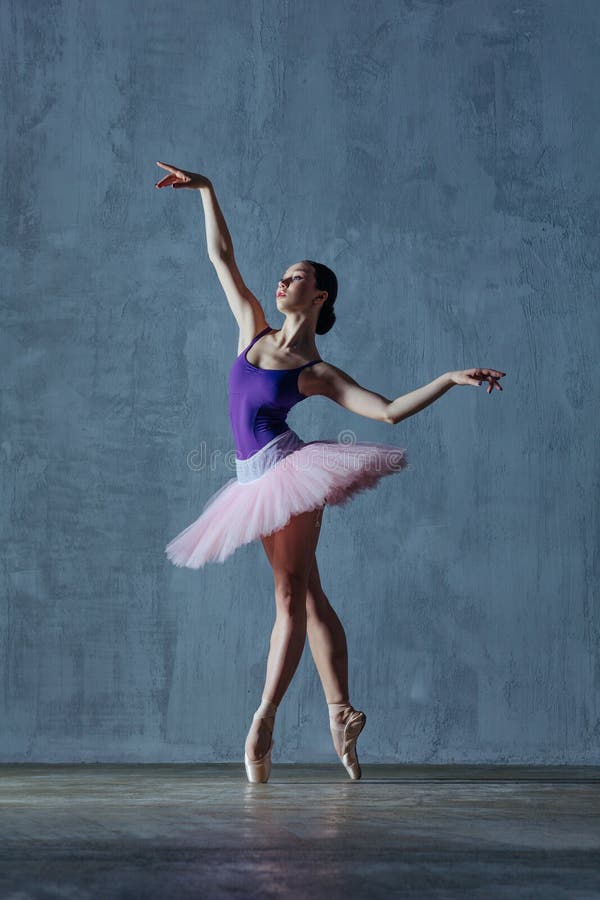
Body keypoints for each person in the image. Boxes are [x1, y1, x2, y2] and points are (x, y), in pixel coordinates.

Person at [155, 161, 505, 784]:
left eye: (298, 278)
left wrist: (450, 378)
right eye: (284, 275)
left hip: (287, 477)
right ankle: (341, 712)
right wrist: (207, 191)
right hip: (250, 482)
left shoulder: (315, 370)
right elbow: (221, 256)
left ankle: (262, 723)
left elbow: (389, 412)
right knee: (310, 594)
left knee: (288, 598)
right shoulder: (251, 328)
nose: (283, 280)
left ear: (318, 298)